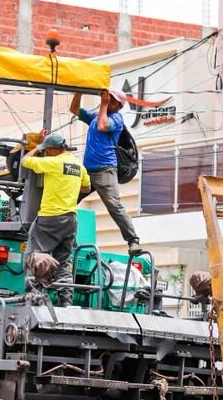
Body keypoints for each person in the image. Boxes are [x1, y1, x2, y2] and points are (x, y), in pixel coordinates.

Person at [21, 132, 90, 306]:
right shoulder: (78, 165)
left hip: (50, 218)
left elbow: (25, 161)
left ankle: (34, 296)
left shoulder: (53, 163)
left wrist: (37, 148)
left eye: (47, 150)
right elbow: (86, 187)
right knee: (64, 262)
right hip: (71, 219)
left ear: (52, 151)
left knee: (34, 255)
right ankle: (66, 300)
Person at [72, 88, 142, 255]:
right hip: (87, 172)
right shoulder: (95, 116)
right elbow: (74, 109)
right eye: (107, 98)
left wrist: (103, 105)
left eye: (112, 100)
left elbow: (102, 126)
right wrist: (79, 91)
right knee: (68, 201)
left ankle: (133, 240)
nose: (108, 100)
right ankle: (69, 238)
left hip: (105, 170)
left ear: (118, 105)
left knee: (113, 205)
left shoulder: (116, 119)